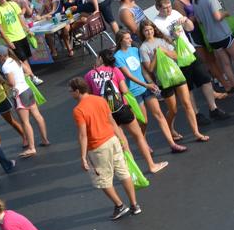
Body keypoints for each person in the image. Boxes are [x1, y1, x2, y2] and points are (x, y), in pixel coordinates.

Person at [69, 77, 143, 219]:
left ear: (77, 91)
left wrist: (83, 156)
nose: (70, 93)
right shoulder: (100, 100)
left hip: (97, 147)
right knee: (123, 172)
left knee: (102, 179)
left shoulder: (78, 110)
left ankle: (120, 206)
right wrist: (121, 139)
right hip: (113, 140)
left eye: (71, 91)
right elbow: (112, 122)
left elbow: (83, 135)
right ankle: (134, 205)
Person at [86, 49, 169, 175]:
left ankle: (133, 171)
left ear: (101, 58)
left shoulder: (89, 75)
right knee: (138, 137)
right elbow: (124, 90)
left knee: (123, 141)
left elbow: (91, 95)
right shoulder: (115, 70)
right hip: (122, 108)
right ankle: (151, 165)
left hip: (106, 113)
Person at [151, 0, 227, 120]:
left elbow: (190, 28)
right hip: (176, 57)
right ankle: (196, 114)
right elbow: (159, 44)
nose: (169, 10)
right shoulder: (156, 23)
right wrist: (173, 38)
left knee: (205, 79)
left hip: (189, 51)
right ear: (158, 8)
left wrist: (186, 20)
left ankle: (213, 108)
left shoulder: (175, 13)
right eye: (165, 8)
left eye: (169, 6)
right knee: (188, 87)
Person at [114, 30, 187, 154]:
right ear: (121, 41)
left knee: (159, 114)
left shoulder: (135, 50)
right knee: (144, 121)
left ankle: (172, 144)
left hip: (146, 89)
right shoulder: (118, 56)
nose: (131, 40)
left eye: (130, 38)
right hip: (134, 92)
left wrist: (150, 83)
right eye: (127, 38)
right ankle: (143, 142)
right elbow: (128, 75)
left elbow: (143, 69)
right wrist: (146, 85)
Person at [138, 21, 208, 144]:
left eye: (150, 29)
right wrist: (155, 55)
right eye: (146, 31)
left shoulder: (162, 41)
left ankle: (196, 132)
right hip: (163, 80)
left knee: (187, 104)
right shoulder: (143, 48)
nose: (149, 32)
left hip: (176, 75)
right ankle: (169, 128)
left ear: (154, 29)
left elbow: (176, 56)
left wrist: (164, 51)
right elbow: (150, 69)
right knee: (173, 110)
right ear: (142, 33)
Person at [0, 45, 48, 158]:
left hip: (19, 94)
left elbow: (12, 83)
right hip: (27, 90)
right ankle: (45, 139)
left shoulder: (5, 67)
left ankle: (32, 148)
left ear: (1, 56)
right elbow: (27, 71)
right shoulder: (15, 60)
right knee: (37, 116)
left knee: (25, 122)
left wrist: (2, 80)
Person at [0, 0, 39, 83]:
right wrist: (8, 42)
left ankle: (27, 76)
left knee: (25, 58)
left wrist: (27, 30)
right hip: (12, 38)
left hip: (22, 35)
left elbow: (20, 19)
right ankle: (33, 77)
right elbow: (0, 29)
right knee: (23, 59)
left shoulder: (13, 4)